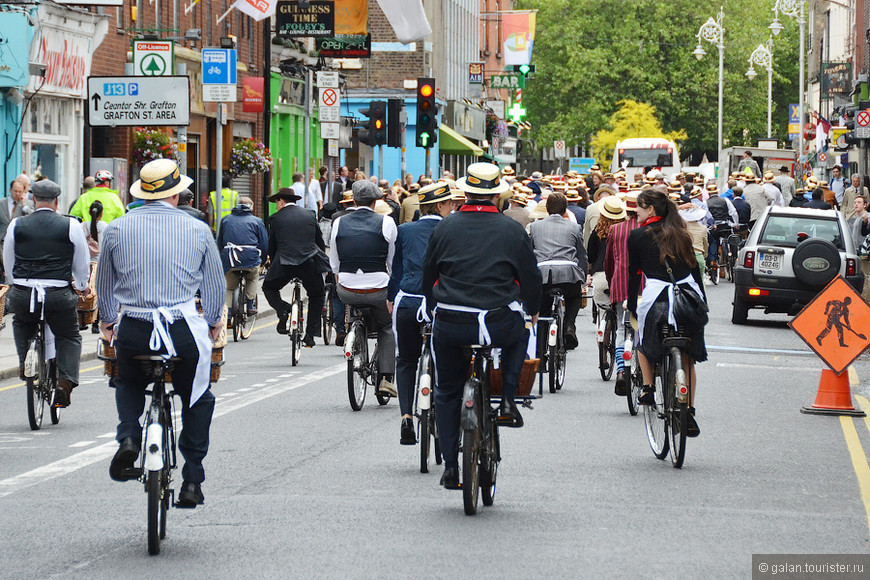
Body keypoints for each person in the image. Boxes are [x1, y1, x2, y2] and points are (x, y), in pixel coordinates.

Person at [97, 158, 223, 508]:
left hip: (135, 328)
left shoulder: (117, 228)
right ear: (176, 194)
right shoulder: (198, 229)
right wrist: (213, 322)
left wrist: (108, 323)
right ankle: (192, 479)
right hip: (181, 329)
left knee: (128, 380)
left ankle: (129, 437)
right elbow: (213, 286)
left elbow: (104, 286)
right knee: (198, 397)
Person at [422, 162, 542, 489]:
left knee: (446, 392)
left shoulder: (444, 228)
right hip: (498, 319)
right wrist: (532, 311)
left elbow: (428, 276)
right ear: (497, 195)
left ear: (466, 192)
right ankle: (506, 400)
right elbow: (530, 277)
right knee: (519, 335)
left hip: (452, 321)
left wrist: (433, 308)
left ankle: (449, 465)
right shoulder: (512, 230)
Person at [627, 187, 706, 438]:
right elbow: (694, 270)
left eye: (638, 206)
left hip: (657, 298)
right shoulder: (681, 233)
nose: (635, 211)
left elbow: (634, 274)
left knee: (641, 339)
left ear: (650, 209)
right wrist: (701, 301)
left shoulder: (637, 236)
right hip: (687, 296)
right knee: (688, 355)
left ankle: (648, 388)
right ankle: (689, 409)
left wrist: (631, 305)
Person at [3, 179, 91, 407]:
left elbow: (8, 259)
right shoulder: (70, 225)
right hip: (57, 293)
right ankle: (65, 383)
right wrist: (83, 286)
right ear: (57, 201)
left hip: (24, 292)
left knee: (22, 323)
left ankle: (25, 363)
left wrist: (14, 283)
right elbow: (81, 261)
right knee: (69, 336)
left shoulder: (17, 224)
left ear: (33, 199)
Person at [388, 182, 453, 445]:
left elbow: (396, 271)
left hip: (408, 302)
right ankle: (443, 414)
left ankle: (406, 416)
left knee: (405, 360)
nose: (453, 208)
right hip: (440, 304)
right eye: (450, 204)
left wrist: (391, 299)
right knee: (448, 360)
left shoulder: (404, 230)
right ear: (439, 205)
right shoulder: (451, 230)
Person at [330, 180, 397, 396]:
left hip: (347, 289)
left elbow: (334, 262)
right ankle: (386, 377)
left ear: (354, 200)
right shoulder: (386, 222)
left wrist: (343, 280)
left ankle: (352, 326)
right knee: (387, 327)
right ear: (376, 201)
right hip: (378, 289)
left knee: (350, 301)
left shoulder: (339, 223)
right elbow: (392, 263)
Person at [264, 188, 328, 345]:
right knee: (317, 295)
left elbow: (272, 246)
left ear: (281, 201)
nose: (276, 206)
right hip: (309, 262)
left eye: (276, 203)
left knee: (269, 288)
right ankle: (311, 334)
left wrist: (273, 264)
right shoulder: (310, 215)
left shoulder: (276, 219)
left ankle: (283, 310)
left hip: (284, 264)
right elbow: (319, 242)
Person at [528, 191, 587, 351]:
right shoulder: (574, 227)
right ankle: (569, 325)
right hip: (568, 273)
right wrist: (584, 277)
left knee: (543, 312)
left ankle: (540, 352)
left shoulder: (535, 227)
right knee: (574, 296)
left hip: (543, 275)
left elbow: (529, 253)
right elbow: (581, 254)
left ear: (547, 209)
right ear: (565, 209)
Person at [604, 189, 641, 394]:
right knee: (641, 328)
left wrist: (611, 281)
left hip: (619, 285)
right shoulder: (649, 230)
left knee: (620, 326)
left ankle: (621, 371)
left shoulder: (615, 230)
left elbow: (609, 261)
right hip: (644, 286)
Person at [217, 196, 268, 318]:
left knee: (229, 287)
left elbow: (220, 242)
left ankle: (228, 313)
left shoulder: (225, 220)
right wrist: (263, 261)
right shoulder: (257, 221)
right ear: (251, 207)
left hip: (230, 258)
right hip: (250, 258)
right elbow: (264, 243)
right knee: (252, 278)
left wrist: (221, 258)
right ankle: (250, 305)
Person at [81, 200, 107, 333]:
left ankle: (82, 319)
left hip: (85, 265)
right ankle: (96, 324)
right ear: (101, 214)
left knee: (83, 292)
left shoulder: (82, 227)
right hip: (100, 265)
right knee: (99, 293)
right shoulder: (105, 226)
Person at [0, 179, 33, 273]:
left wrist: (24, 206)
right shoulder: (1, 203)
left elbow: (33, 219)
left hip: (18, 242)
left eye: (20, 192)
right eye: (15, 191)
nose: (17, 194)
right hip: (1, 242)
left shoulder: (28, 205)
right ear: (10, 190)